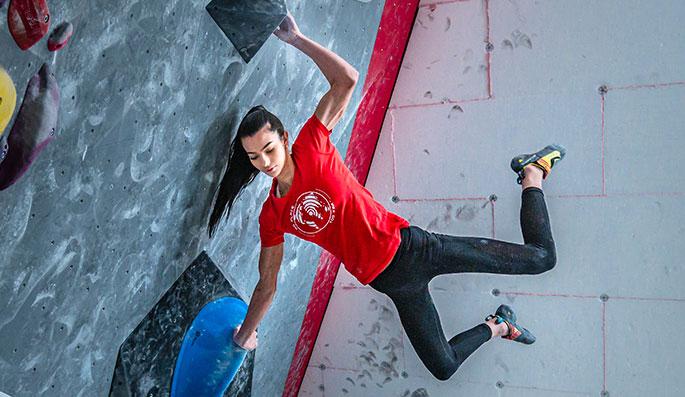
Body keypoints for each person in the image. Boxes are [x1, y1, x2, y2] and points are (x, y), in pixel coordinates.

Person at [207, 12, 565, 381]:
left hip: (414, 249)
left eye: (268, 148)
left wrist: (296, 40)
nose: (264, 162)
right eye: (254, 157)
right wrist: (243, 336)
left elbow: (346, 80)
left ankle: (532, 172)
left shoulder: (311, 144)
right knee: (443, 366)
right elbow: (267, 284)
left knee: (541, 258)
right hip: (393, 282)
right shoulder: (272, 215)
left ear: (283, 139)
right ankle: (500, 325)